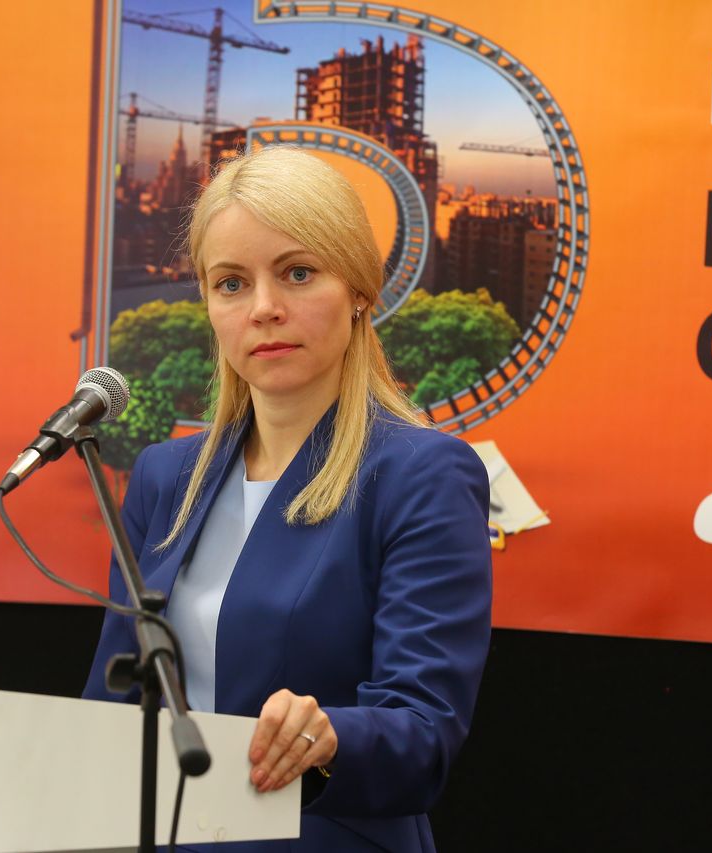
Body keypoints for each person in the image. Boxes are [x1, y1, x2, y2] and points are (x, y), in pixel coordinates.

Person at [83, 145, 492, 851]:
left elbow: (424, 732)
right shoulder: (163, 477)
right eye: (232, 283)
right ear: (208, 304)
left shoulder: (422, 475)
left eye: (298, 273)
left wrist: (331, 735)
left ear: (359, 289)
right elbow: (111, 707)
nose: (265, 309)